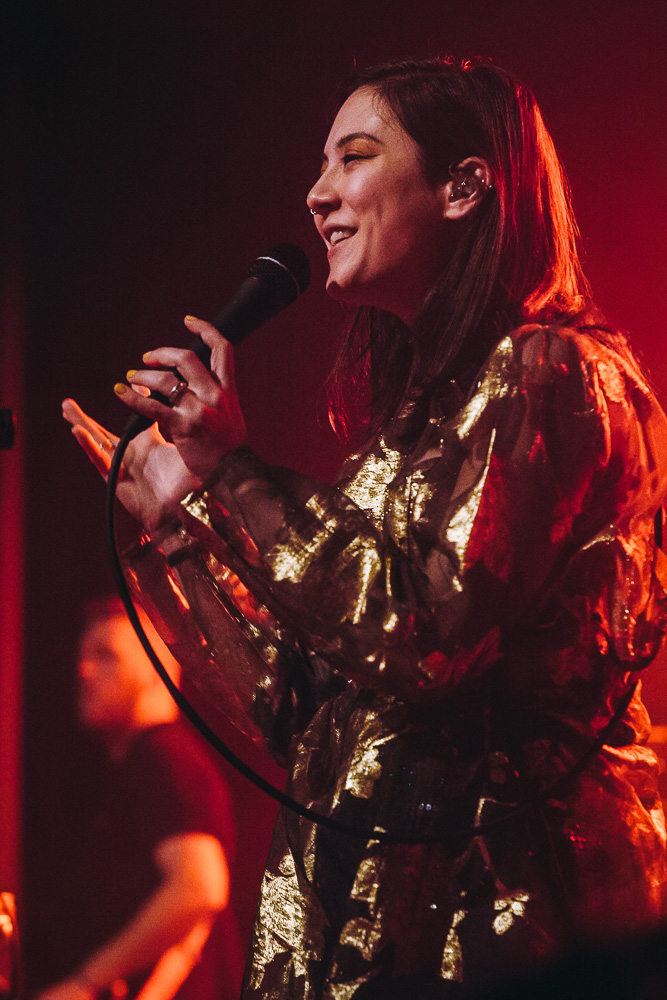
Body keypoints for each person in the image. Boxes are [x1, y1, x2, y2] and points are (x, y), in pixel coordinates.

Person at [63, 57, 667, 998]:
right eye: (319, 165)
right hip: (364, 929)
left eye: (353, 158)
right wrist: (177, 526)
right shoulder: (402, 439)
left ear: (466, 187)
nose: (316, 194)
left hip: (505, 922)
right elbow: (299, 713)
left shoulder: (555, 375)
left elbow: (423, 637)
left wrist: (235, 470)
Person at [32, 597, 242, 1000]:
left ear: (157, 668)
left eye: (105, 656)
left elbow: (200, 886)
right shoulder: (146, 762)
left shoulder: (165, 759)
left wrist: (83, 984)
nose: (83, 671)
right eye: (82, 655)